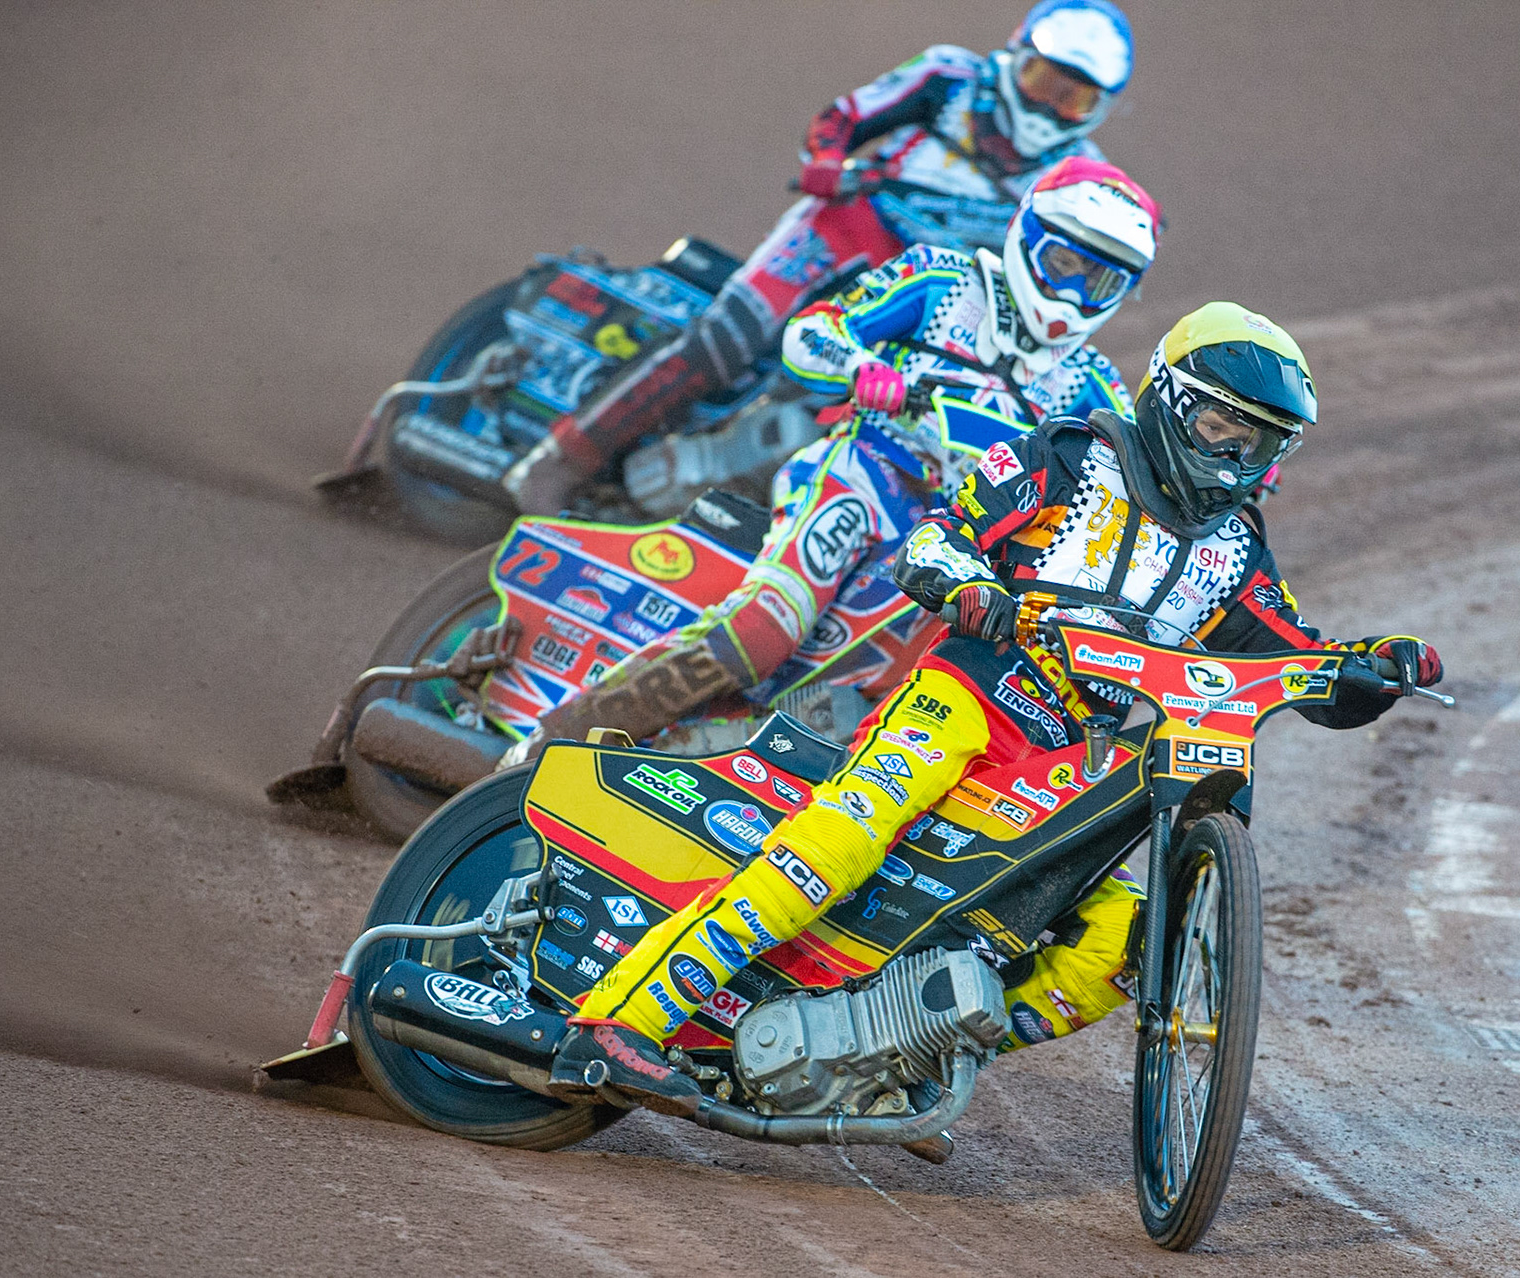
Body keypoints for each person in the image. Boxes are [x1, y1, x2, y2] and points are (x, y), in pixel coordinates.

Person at [546, 302, 1445, 1114]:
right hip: (970, 690)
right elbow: (941, 531)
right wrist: (967, 581)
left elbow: (1293, 655)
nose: (1236, 458)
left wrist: (1371, 668)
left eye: (1261, 444)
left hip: (1063, 759)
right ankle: (619, 1020)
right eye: (1222, 427)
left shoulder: (1239, 550)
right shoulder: (1069, 454)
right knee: (844, 839)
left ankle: (893, 1061)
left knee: (1119, 945)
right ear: (1171, 398)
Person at [497, 157, 1159, 763]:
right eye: (1063, 264)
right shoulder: (943, 281)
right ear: (1025, 236)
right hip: (861, 476)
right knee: (760, 633)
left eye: (1099, 280)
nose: (1072, 293)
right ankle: (542, 745)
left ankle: (709, 766)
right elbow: (811, 332)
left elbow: (1119, 501)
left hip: (949, 551)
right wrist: (865, 365)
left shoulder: (1094, 388)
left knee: (888, 703)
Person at [502, 0, 1139, 515]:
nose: (1051, 107)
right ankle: (558, 464)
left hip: (930, 293)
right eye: (1044, 81)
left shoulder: (1083, 176)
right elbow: (844, 116)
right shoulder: (949, 76)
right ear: (1016, 53)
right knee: (728, 338)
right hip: (846, 226)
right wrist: (828, 165)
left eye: (1075, 99)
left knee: (865, 414)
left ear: (1101, 109)